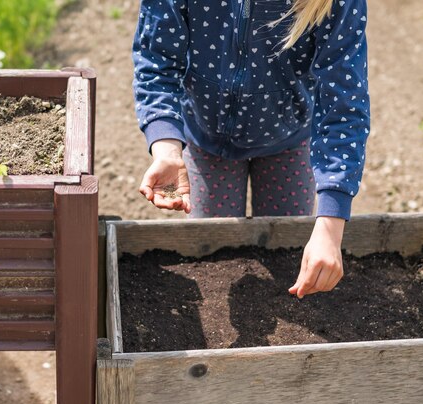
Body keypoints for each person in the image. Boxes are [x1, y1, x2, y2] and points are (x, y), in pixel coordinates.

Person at [133, 0, 370, 298]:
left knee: (287, 263)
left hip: (289, 141)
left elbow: (343, 105)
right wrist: (167, 147)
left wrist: (330, 226)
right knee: (214, 263)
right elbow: (157, 60)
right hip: (208, 141)